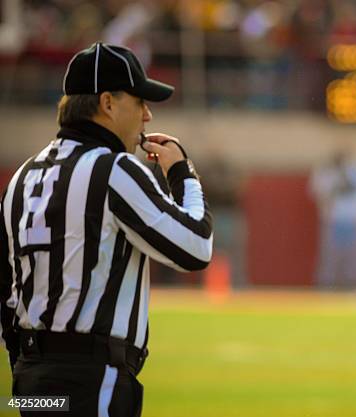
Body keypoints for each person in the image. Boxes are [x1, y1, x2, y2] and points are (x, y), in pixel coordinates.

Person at [0, 42, 213, 416]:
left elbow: (7, 291)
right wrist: (182, 173)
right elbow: (196, 248)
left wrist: (24, 369)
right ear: (108, 103)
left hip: (29, 377)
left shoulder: (22, 176)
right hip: (93, 378)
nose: (147, 115)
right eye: (140, 101)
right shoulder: (114, 169)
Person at [309, 149, 356, 288]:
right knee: (330, 260)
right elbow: (316, 191)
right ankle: (326, 290)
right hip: (333, 222)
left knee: (355, 261)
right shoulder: (326, 169)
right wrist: (327, 211)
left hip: (355, 222)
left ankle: (354, 291)